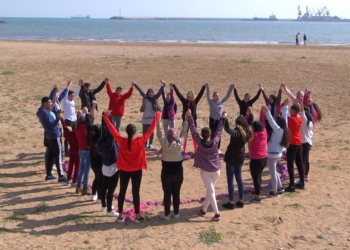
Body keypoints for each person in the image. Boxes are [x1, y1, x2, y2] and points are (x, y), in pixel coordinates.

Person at [103, 111, 161, 223]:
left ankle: (120, 216)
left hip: (124, 170)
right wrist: (157, 117)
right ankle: (138, 215)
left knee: (122, 192)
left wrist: (106, 118)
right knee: (136, 192)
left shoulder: (122, 141)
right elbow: (150, 131)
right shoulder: (139, 141)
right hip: (136, 170)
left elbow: (114, 131)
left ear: (127, 132)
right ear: (134, 133)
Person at [187, 109, 224, 221]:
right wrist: (222, 118)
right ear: (210, 134)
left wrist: (190, 117)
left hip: (205, 171)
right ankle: (204, 209)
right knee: (210, 190)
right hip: (216, 170)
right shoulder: (215, 141)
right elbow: (219, 130)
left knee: (211, 191)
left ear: (202, 135)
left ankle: (217, 213)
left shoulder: (200, 142)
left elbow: (193, 131)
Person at [156, 113, 188, 220]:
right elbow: (184, 133)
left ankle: (166, 215)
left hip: (166, 172)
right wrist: (186, 120)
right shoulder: (180, 144)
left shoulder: (165, 144)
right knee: (176, 193)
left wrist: (158, 120)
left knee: (167, 193)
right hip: (178, 172)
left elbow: (160, 133)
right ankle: (176, 213)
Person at [222, 114, 253, 209]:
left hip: (232, 156)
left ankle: (231, 202)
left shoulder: (236, 132)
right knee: (239, 178)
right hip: (240, 156)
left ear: (237, 123)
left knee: (230, 180)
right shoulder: (247, 132)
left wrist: (225, 118)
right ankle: (240, 200)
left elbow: (227, 129)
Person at [36, 97, 67, 182]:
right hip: (54, 135)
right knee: (58, 155)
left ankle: (49, 174)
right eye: (49, 102)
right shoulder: (45, 113)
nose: (51, 104)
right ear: (44, 103)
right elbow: (51, 125)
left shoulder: (41, 111)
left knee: (50, 155)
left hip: (48, 136)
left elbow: (38, 112)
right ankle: (61, 176)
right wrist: (58, 118)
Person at [262, 102, 290, 197]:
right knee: (274, 171)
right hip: (277, 153)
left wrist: (267, 112)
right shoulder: (284, 128)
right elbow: (285, 117)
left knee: (273, 172)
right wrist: (286, 106)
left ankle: (274, 191)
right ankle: (280, 187)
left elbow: (272, 122)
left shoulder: (278, 130)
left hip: (273, 153)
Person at [171, 83, 205, 153]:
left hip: (193, 121)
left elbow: (200, 94)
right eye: (188, 95)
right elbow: (179, 94)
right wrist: (174, 86)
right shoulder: (184, 101)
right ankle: (183, 150)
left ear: (192, 96)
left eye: (190, 95)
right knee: (184, 135)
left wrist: (203, 87)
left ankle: (196, 150)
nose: (189, 96)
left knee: (194, 135)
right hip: (185, 121)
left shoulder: (195, 102)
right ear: (187, 96)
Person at [97, 114, 120, 217]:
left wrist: (105, 117)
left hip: (104, 167)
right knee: (110, 191)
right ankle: (109, 211)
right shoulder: (109, 143)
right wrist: (109, 118)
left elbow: (104, 130)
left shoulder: (100, 141)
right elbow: (112, 131)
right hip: (113, 168)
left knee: (103, 187)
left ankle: (104, 206)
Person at [75, 101, 97, 195]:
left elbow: (87, 118)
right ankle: (85, 188)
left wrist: (81, 114)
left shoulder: (77, 128)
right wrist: (93, 107)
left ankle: (78, 186)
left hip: (80, 150)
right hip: (87, 151)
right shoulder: (85, 127)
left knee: (82, 169)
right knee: (87, 170)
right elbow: (90, 117)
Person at [205, 83, 233, 154]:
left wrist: (231, 88)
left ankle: (217, 149)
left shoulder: (221, 101)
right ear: (213, 96)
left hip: (220, 121)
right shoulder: (211, 101)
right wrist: (207, 87)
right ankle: (212, 148)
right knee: (212, 135)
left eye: (218, 96)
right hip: (212, 120)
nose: (217, 97)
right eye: (215, 96)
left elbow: (227, 96)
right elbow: (207, 95)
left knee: (218, 135)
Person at [134, 82, 162, 149]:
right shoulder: (145, 97)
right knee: (145, 132)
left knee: (151, 131)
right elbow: (140, 91)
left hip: (152, 118)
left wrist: (162, 85)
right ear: (148, 93)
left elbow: (159, 92)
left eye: (152, 92)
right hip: (145, 117)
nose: (151, 93)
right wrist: (135, 84)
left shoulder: (155, 98)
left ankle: (150, 144)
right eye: (150, 92)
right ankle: (145, 144)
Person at [248, 113, 268, 203]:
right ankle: (258, 191)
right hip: (264, 158)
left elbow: (245, 128)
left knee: (256, 177)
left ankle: (257, 197)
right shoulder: (264, 132)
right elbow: (262, 122)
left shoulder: (253, 136)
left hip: (256, 160)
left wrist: (249, 115)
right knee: (259, 175)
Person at [284, 100, 304, 192]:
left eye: (291, 110)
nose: (289, 111)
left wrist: (285, 105)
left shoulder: (290, 119)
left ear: (294, 111)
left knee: (290, 164)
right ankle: (302, 182)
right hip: (298, 142)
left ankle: (292, 185)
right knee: (299, 163)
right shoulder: (299, 118)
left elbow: (283, 115)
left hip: (292, 143)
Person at [63, 80, 82, 156]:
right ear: (68, 95)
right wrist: (68, 86)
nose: (73, 97)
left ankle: (73, 149)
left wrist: (79, 85)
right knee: (67, 136)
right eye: (71, 95)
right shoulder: (66, 101)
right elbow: (64, 95)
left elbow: (77, 93)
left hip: (74, 120)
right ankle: (66, 152)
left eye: (73, 96)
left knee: (74, 135)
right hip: (68, 120)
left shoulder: (72, 101)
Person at [59, 116, 80, 187]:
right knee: (77, 166)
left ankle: (68, 179)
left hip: (72, 151)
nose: (69, 126)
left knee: (71, 165)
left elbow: (64, 125)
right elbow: (78, 125)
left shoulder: (67, 134)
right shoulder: (74, 134)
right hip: (77, 152)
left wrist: (61, 118)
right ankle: (74, 181)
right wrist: (78, 116)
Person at [298, 102, 314, 182]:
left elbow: (302, 114)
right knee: (306, 160)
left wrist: (301, 105)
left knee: (302, 161)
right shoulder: (310, 123)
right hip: (308, 143)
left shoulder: (304, 122)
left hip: (303, 143)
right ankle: (306, 176)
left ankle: (303, 177)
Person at [88, 124, 103, 202]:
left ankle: (93, 194)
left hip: (93, 163)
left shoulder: (91, 139)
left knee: (97, 178)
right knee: (100, 179)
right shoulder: (100, 141)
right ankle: (99, 197)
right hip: (99, 163)